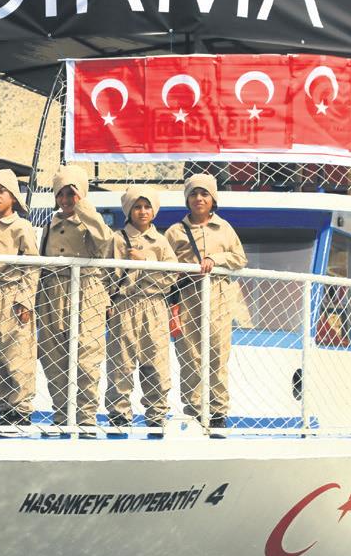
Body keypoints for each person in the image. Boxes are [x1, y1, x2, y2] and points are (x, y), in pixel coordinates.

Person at [164, 174, 247, 430]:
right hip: (187, 298)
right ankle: (195, 412)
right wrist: (182, 271)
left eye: (204, 194)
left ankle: (219, 412)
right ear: (186, 199)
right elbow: (164, 265)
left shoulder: (224, 228)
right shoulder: (175, 232)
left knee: (217, 356)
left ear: (213, 199)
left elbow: (239, 259)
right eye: (193, 194)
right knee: (190, 356)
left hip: (218, 297)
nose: (198, 199)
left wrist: (215, 259)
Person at [36, 164, 114, 430]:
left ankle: (86, 417)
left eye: (72, 193)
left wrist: (84, 207)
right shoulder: (49, 225)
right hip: (52, 293)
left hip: (86, 291)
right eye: (61, 193)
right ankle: (61, 415)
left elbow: (106, 242)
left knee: (87, 357)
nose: (66, 199)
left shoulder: (92, 222)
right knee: (54, 357)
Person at [106, 186, 177, 434]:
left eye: (147, 207)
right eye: (137, 207)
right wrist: (107, 302)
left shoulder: (161, 242)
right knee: (121, 363)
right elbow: (106, 275)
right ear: (129, 210)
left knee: (156, 361)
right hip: (124, 304)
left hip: (154, 304)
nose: (143, 211)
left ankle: (157, 414)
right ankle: (119, 415)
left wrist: (145, 263)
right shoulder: (117, 239)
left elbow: (171, 276)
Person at [0, 169, 39, 427]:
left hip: (11, 295)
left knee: (17, 355)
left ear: (13, 196)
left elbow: (32, 265)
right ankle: (4, 408)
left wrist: (25, 300)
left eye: (1, 191)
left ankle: (21, 410)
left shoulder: (21, 227)